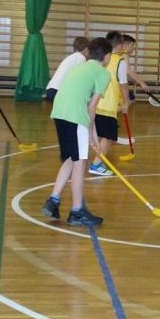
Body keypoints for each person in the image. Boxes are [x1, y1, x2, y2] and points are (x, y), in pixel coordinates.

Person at [41, 37, 113, 226]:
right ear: (107, 56)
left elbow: (87, 106)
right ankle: (77, 212)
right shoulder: (103, 73)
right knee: (80, 163)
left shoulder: (81, 67)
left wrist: (93, 136)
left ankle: (53, 200)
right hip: (75, 115)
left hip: (59, 112)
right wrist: (90, 135)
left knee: (71, 159)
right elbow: (91, 107)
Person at [88, 31, 131, 176]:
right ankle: (96, 164)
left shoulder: (96, 58)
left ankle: (82, 161)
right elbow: (123, 84)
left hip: (92, 103)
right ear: (119, 46)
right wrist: (126, 102)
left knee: (94, 134)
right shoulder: (120, 61)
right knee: (108, 137)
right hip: (107, 106)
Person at [45, 36, 90, 101]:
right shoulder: (80, 58)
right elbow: (80, 78)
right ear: (86, 49)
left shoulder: (73, 57)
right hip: (58, 90)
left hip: (52, 88)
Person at [121, 34, 150, 98]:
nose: (133, 48)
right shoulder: (124, 55)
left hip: (117, 84)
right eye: (132, 45)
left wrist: (134, 80)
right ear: (125, 46)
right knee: (129, 100)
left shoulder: (118, 54)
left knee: (131, 99)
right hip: (118, 85)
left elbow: (124, 73)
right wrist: (141, 82)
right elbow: (128, 71)